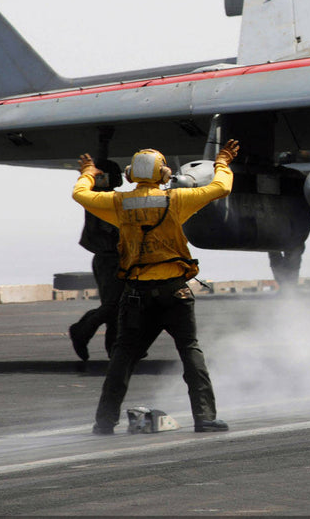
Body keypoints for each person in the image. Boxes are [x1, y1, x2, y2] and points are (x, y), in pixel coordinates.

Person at [72, 140, 240, 434]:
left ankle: (104, 421)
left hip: (136, 294)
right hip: (175, 293)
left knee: (123, 356)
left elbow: (80, 194)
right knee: (190, 351)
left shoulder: (118, 203)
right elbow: (221, 188)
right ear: (163, 173)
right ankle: (204, 417)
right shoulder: (176, 200)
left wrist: (87, 171)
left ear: (129, 174)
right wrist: (222, 161)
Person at [69, 159, 124, 362]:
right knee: (112, 306)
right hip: (110, 259)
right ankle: (81, 330)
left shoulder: (101, 198)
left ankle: (115, 348)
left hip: (112, 259)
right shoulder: (104, 200)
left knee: (119, 307)